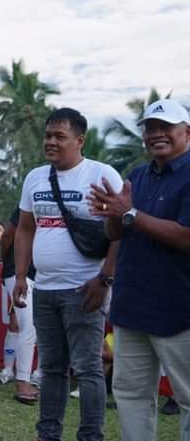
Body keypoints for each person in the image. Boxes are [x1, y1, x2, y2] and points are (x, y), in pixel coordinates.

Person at [13, 107, 123, 441]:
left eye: (60, 136)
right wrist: (21, 276)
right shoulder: (35, 177)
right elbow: (25, 229)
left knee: (88, 369)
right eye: (48, 135)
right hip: (44, 289)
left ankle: (90, 436)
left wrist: (104, 279)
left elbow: (121, 232)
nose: (51, 142)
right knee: (51, 368)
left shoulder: (102, 174)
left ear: (80, 140)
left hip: (85, 288)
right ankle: (48, 435)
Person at [88, 99, 190, 441]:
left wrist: (129, 213)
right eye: (150, 128)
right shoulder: (138, 176)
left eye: (166, 127)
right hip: (132, 307)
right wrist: (112, 215)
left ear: (187, 133)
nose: (156, 134)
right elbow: (116, 234)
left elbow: (186, 237)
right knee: (131, 395)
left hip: (179, 310)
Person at [0, 207, 40, 403]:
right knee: (27, 326)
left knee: (39, 327)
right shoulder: (30, 203)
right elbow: (7, 235)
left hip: (43, 272)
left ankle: (37, 375)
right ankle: (22, 380)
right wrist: (7, 263)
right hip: (20, 272)